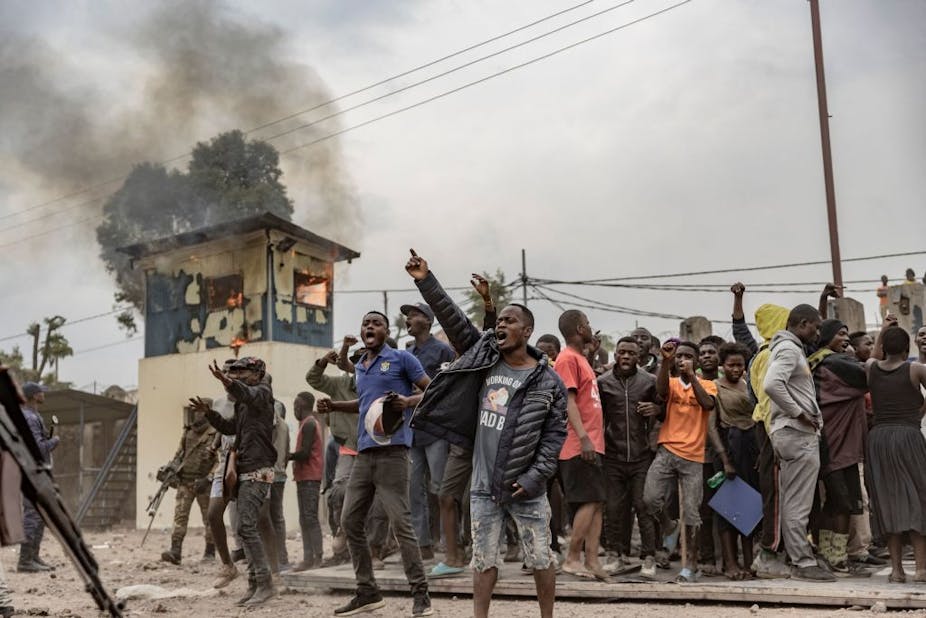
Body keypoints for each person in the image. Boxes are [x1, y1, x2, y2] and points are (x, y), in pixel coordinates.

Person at [406, 250, 566, 618]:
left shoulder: (548, 382)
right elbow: (455, 320)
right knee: (483, 559)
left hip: (526, 487)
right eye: (500, 320)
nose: (501, 325)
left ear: (526, 331)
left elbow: (553, 438)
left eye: (509, 320)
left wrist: (533, 477)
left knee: (541, 557)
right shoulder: (485, 358)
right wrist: (425, 280)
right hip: (482, 485)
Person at [320, 310, 433, 617]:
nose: (369, 326)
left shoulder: (401, 359)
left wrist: (408, 402)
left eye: (376, 323)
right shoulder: (361, 366)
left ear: (385, 331)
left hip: (393, 454)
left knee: (401, 524)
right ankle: (367, 592)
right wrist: (333, 405)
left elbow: (432, 389)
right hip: (363, 455)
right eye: (365, 322)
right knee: (351, 522)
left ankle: (421, 596)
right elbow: (365, 405)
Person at [192, 356, 277, 606]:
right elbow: (231, 429)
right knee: (244, 528)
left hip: (257, 468)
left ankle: (266, 584)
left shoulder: (262, 393)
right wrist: (210, 414)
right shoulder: (243, 402)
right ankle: (254, 584)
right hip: (245, 468)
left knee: (247, 527)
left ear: (258, 374)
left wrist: (227, 381)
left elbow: (247, 394)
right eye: (236, 371)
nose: (239, 375)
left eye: (244, 371)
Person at [430, 274, 497, 579]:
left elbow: (491, 332)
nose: (457, 343)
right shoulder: (451, 368)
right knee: (446, 495)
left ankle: (490, 555)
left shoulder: (484, 356)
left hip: (488, 439)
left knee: (486, 500)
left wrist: (487, 301)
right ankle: (453, 557)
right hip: (461, 442)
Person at [763, 304, 835, 583]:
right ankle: (803, 563)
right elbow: (771, 385)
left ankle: (802, 557)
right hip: (796, 433)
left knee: (796, 501)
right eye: (815, 327)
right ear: (802, 324)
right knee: (798, 504)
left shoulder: (789, 348)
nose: (818, 333)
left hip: (793, 433)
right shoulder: (790, 350)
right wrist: (800, 413)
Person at [643, 340, 717, 583]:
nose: (683, 359)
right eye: (679, 356)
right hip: (667, 450)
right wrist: (665, 361)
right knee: (651, 498)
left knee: (692, 513)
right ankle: (668, 525)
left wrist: (691, 376)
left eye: (688, 356)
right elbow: (661, 392)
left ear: (695, 361)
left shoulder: (707, 384)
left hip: (693, 457)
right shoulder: (671, 382)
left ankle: (690, 566)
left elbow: (707, 404)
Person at [808, 319, 871, 576]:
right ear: (826, 338)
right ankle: (837, 558)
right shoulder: (832, 364)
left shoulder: (820, 362)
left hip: (835, 444)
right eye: (840, 334)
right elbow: (867, 376)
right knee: (843, 504)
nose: (845, 338)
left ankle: (830, 554)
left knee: (833, 503)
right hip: (835, 445)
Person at [864, 324, 926, 583]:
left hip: (878, 439)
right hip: (908, 437)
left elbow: (874, 354)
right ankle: (922, 569)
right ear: (906, 348)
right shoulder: (916, 369)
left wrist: (884, 332)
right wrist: (919, 413)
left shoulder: (870, 368)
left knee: (886, 500)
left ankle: (897, 570)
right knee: (918, 498)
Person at [598, 337, 660, 578]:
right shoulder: (602, 383)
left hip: (642, 455)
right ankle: (614, 554)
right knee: (612, 508)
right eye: (621, 352)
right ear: (615, 355)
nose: (625, 357)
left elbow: (665, 408)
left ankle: (649, 557)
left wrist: (656, 409)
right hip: (612, 455)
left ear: (639, 357)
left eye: (630, 353)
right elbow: (595, 416)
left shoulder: (650, 381)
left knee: (643, 506)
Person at [553, 310, 607, 581]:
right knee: (588, 501)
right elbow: (568, 401)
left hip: (593, 442)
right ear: (578, 327)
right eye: (587, 323)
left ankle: (592, 560)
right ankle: (572, 557)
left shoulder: (581, 359)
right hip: (578, 443)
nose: (590, 326)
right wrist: (584, 436)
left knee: (596, 501)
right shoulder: (566, 359)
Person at [402, 301, 455, 562]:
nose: (408, 319)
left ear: (427, 320)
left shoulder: (443, 351)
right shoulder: (406, 351)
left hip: (435, 430)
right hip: (412, 431)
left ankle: (451, 543)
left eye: (413, 315)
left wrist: (419, 394)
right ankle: (422, 545)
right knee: (413, 489)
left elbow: (445, 388)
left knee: (441, 488)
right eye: (407, 316)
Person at [708, 342, 758, 580]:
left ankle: (749, 561)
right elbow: (712, 427)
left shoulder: (749, 387)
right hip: (729, 449)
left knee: (749, 507)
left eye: (740, 365)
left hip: (750, 448)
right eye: (731, 365)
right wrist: (725, 460)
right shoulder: (715, 388)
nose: (736, 369)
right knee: (728, 509)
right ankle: (730, 562)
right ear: (722, 365)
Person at [160, 404, 218, 566]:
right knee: (180, 517)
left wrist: (208, 479)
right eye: (195, 412)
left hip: (205, 484)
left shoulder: (215, 433)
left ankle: (210, 552)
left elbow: (220, 461)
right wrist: (171, 467)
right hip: (185, 482)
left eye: (200, 411)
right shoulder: (188, 432)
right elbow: (179, 454)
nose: (196, 415)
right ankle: (175, 551)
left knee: (210, 519)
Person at [18, 382, 58, 573]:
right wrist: (54, 441)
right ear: (34, 395)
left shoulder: (32, 415)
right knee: (33, 515)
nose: (44, 394)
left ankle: (33, 557)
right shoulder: (29, 418)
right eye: (41, 392)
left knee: (40, 514)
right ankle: (25, 561)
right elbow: (38, 449)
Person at [696, 338, 723, 577]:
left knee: (730, 505)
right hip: (701, 454)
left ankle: (729, 557)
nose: (706, 356)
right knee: (704, 509)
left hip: (727, 454)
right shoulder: (691, 382)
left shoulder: (729, 380)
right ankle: (706, 557)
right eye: (702, 352)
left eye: (711, 352)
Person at [288, 392, 324, 571]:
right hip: (304, 477)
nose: (295, 409)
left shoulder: (309, 423)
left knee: (309, 517)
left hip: (310, 477)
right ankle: (308, 558)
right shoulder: (305, 423)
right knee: (304, 518)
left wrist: (286, 455)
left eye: (296, 406)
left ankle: (317, 557)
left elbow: (305, 452)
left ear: (303, 406)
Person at [269, 401, 290, 570]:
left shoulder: (274, 425)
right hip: (279, 475)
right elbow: (287, 453)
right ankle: (281, 558)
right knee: (277, 517)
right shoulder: (286, 427)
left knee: (271, 517)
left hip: (270, 475)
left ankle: (278, 560)